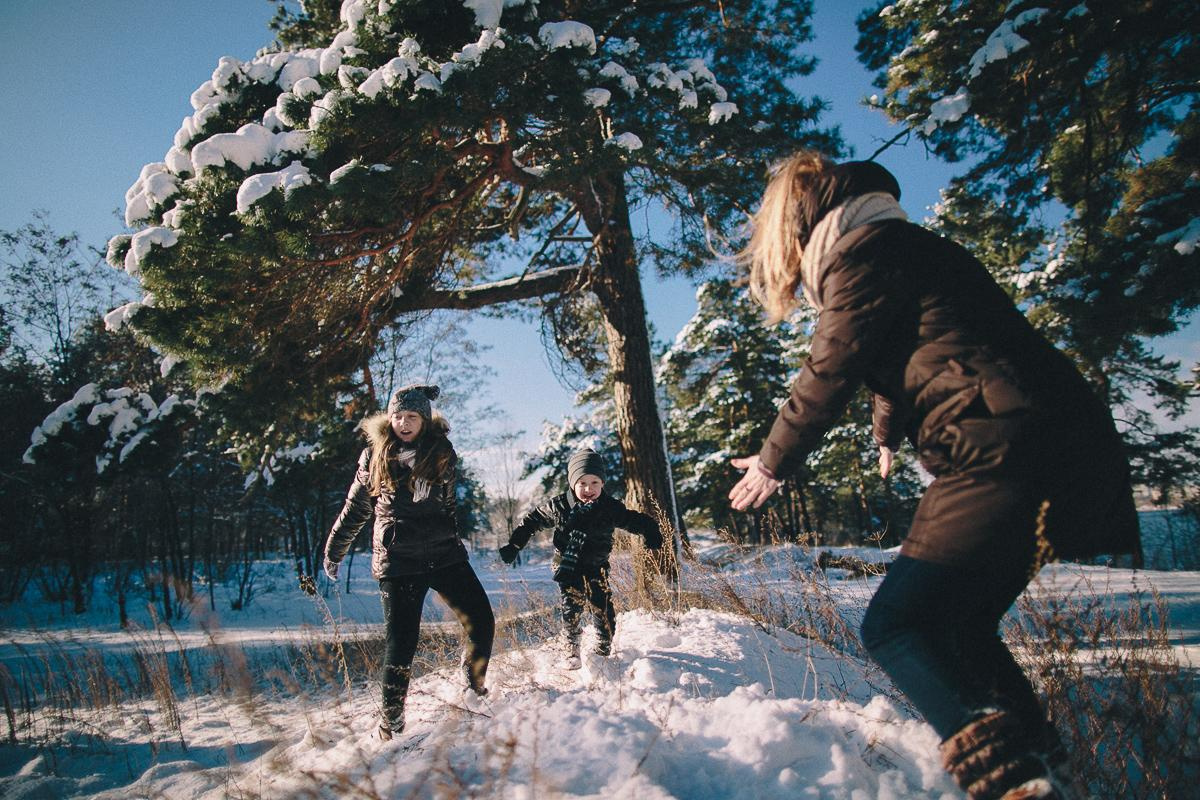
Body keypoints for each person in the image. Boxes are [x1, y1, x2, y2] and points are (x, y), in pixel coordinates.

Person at [728, 152, 1140, 800]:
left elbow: (832, 364)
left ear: (800, 221)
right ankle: (1048, 772)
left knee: (897, 625)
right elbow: (903, 352)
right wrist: (886, 434)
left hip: (999, 441)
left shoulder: (862, 252)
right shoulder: (906, 247)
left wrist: (774, 459)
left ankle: (1016, 785)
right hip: (1064, 440)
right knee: (961, 627)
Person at [324, 384, 495, 740]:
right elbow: (356, 508)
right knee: (401, 642)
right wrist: (334, 550)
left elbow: (449, 505)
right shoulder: (375, 456)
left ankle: (473, 685)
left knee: (481, 620)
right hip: (398, 559)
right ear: (390, 419)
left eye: (412, 416)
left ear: (424, 420)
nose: (403, 423)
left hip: (444, 553)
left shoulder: (442, 453)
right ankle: (391, 722)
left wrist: (454, 539)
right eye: (398, 416)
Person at [499, 449, 663, 666]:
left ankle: (603, 647)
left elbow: (632, 520)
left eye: (595, 482)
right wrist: (515, 544)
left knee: (602, 607)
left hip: (597, 565)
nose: (588, 489)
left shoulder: (609, 507)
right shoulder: (559, 506)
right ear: (572, 483)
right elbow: (532, 521)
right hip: (568, 566)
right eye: (582, 483)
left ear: (602, 483)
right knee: (572, 605)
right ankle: (572, 646)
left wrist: (650, 531)